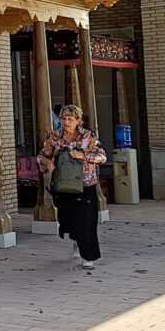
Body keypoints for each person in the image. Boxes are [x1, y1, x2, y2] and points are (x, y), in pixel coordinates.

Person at [37, 104, 107, 269]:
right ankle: (76, 238)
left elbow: (102, 157)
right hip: (62, 186)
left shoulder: (88, 137)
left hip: (85, 185)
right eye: (64, 118)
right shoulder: (54, 137)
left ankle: (88, 256)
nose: (66, 122)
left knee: (86, 221)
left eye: (70, 119)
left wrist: (84, 156)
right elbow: (41, 156)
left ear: (78, 121)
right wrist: (47, 162)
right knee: (66, 219)